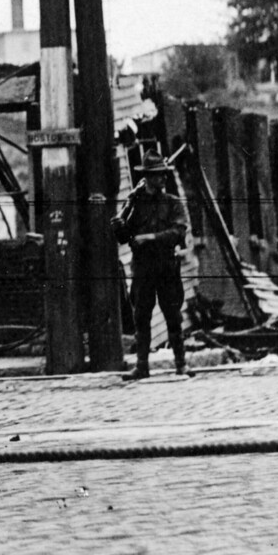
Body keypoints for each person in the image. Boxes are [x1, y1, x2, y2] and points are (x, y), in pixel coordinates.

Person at [113, 150, 192, 381]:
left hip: (166, 266)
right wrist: (119, 226)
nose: (163, 178)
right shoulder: (135, 205)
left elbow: (178, 232)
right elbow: (124, 237)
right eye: (158, 175)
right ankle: (142, 367)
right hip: (143, 268)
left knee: (173, 316)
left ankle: (181, 364)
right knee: (142, 318)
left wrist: (150, 238)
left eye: (164, 174)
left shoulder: (172, 203)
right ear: (147, 177)